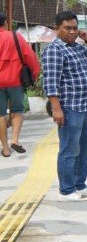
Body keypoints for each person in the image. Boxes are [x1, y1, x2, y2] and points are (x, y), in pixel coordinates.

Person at [41, 12, 87, 199]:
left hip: (84, 107)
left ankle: (79, 184)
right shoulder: (55, 50)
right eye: (67, 28)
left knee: (85, 148)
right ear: (56, 29)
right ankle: (66, 190)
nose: (72, 32)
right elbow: (51, 82)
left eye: (75, 28)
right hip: (69, 108)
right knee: (69, 149)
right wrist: (56, 109)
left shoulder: (76, 48)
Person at [0, 13, 40, 157]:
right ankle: (15, 139)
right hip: (16, 81)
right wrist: (34, 75)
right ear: (5, 22)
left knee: (0, 114)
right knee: (17, 110)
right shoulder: (15, 37)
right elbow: (30, 57)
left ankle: (5, 148)